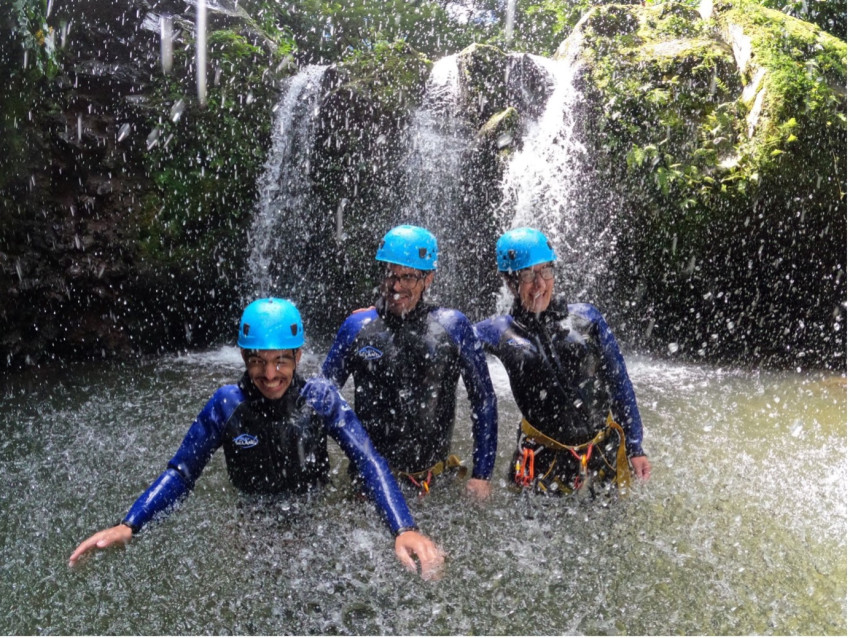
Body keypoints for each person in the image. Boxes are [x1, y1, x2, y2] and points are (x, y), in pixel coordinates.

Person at [69, 298, 444, 579]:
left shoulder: (320, 398)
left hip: (310, 511)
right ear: (245, 358)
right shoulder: (226, 404)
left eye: (281, 360)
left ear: (298, 355)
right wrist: (130, 524)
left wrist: (403, 527)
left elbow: (368, 460)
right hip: (253, 517)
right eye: (257, 361)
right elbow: (183, 473)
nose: (269, 374)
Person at [322, 225, 498, 499]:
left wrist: (482, 475)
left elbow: (483, 399)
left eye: (408, 278)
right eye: (391, 275)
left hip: (432, 479)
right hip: (370, 480)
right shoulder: (357, 326)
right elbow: (324, 399)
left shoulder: (453, 327)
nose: (395, 286)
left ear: (428, 279)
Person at [474, 227, 650, 496]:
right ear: (510, 282)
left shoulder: (587, 319)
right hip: (540, 457)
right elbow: (452, 342)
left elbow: (620, 383)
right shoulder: (498, 332)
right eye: (528, 275)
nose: (540, 284)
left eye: (545, 271)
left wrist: (636, 448)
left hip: (601, 451)